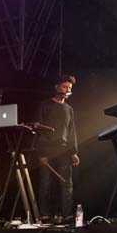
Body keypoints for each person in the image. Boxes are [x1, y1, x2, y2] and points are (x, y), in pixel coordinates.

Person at [37, 74, 80, 224]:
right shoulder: (45, 105)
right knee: (46, 183)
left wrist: (73, 152)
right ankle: (45, 215)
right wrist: (42, 153)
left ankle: (67, 215)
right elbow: (39, 130)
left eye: (69, 88)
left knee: (67, 184)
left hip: (63, 151)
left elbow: (71, 132)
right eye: (64, 87)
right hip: (48, 150)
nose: (67, 90)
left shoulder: (69, 109)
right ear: (56, 87)